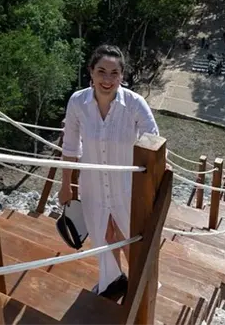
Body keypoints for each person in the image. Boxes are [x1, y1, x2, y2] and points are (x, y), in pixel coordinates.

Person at [59, 44, 159, 300]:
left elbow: (153, 139)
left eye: (114, 73)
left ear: (122, 76)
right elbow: (70, 145)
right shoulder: (77, 102)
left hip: (126, 185)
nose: (107, 79)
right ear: (90, 72)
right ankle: (114, 281)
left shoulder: (135, 104)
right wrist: (66, 184)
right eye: (101, 71)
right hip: (92, 184)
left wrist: (152, 185)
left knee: (128, 235)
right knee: (104, 235)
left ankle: (141, 282)